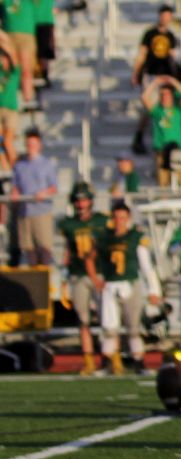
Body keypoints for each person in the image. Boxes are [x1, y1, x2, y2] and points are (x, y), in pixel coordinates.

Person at [94, 200, 160, 376]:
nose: (119, 221)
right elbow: (98, 262)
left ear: (128, 218)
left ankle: (139, 363)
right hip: (110, 285)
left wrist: (154, 290)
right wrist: (98, 280)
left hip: (131, 283)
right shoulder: (105, 237)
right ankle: (106, 364)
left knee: (134, 328)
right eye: (116, 217)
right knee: (109, 328)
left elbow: (146, 266)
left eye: (122, 217)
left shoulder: (135, 237)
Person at [58, 183, 109, 374]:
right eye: (78, 200)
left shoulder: (102, 221)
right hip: (79, 274)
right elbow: (67, 251)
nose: (81, 204)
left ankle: (108, 358)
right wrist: (64, 275)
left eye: (84, 199)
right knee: (83, 320)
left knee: (107, 319)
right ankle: (89, 361)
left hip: (100, 275)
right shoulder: (69, 224)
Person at [11, 128, 57, 265]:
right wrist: (15, 193)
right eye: (28, 145)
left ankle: (45, 279)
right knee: (28, 249)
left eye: (33, 144)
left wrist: (44, 193)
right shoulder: (20, 165)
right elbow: (16, 186)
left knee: (44, 248)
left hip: (41, 211)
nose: (30, 148)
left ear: (39, 145)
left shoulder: (46, 164)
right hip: (24, 212)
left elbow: (54, 187)